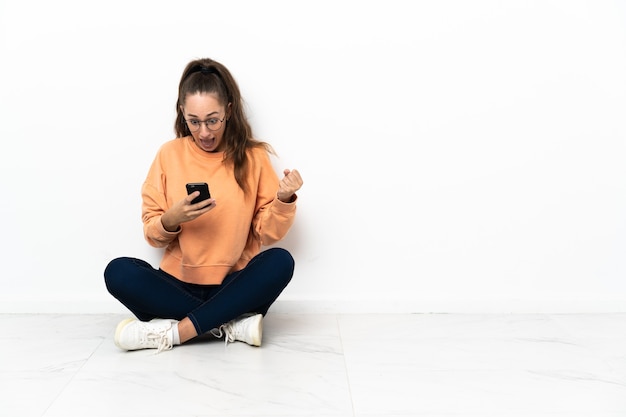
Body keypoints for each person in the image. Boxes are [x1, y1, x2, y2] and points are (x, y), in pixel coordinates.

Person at [104, 57, 303, 353]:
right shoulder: (169, 154)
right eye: (194, 121)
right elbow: (152, 234)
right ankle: (230, 324)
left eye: (213, 120)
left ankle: (175, 332)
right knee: (118, 272)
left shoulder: (254, 157)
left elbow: (268, 234)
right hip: (177, 285)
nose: (205, 132)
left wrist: (284, 199)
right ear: (182, 113)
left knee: (280, 262)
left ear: (229, 112)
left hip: (235, 285)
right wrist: (171, 219)